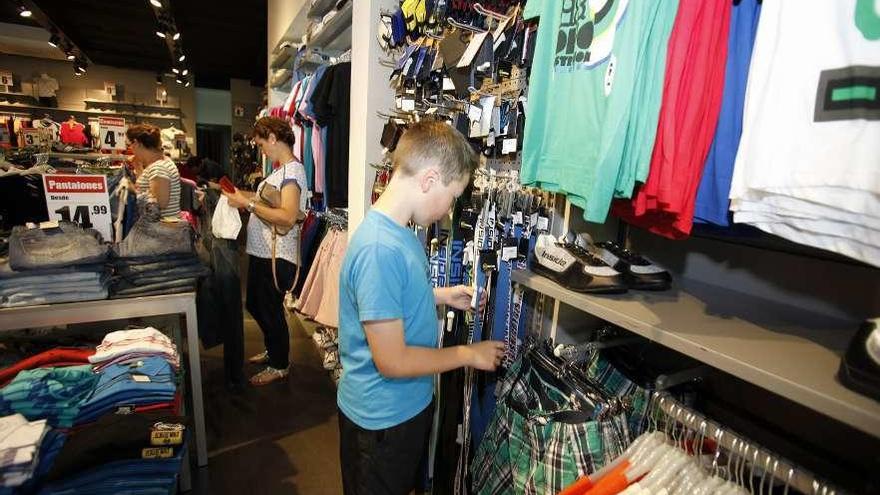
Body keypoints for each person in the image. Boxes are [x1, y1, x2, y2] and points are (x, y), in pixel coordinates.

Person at [337, 120, 505, 495]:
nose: (449, 210)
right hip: (380, 424)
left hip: (403, 411)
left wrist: (441, 296)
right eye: (452, 196)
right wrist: (466, 353)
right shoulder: (380, 248)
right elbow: (392, 360)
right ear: (429, 179)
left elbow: (389, 298)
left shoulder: (400, 232)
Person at [222, 117, 309, 386]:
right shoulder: (283, 171)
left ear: (273, 138)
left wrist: (246, 205)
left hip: (277, 253)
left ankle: (279, 363)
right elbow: (267, 202)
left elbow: (286, 216)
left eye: (261, 144)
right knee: (260, 306)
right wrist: (238, 195)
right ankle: (274, 350)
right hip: (266, 252)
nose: (261, 151)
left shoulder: (292, 172)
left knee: (267, 308)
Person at [126, 124, 181, 220]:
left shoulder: (159, 167)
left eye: (130, 145)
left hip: (159, 230)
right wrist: (138, 167)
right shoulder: (159, 163)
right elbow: (147, 189)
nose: (131, 149)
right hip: (160, 228)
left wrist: (132, 189)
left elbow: (160, 203)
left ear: (136, 143)